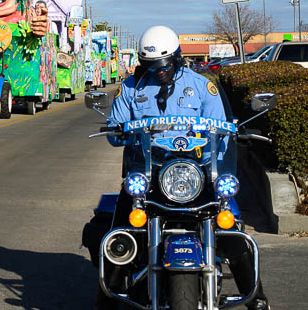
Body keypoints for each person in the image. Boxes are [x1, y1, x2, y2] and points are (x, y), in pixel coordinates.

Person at [103, 25, 268, 310]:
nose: (160, 71)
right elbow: (114, 133)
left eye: (165, 65)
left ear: (177, 58)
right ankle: (106, 298)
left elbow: (224, 134)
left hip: (197, 173)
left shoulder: (203, 86)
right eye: (151, 66)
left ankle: (258, 301)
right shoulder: (130, 88)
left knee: (234, 232)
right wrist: (117, 131)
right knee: (120, 232)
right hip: (149, 172)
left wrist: (216, 165)